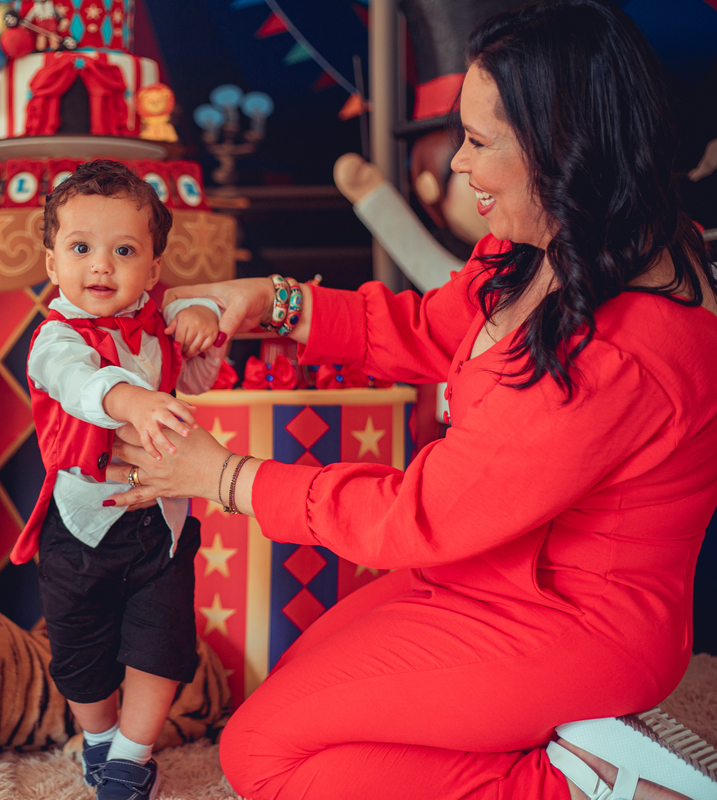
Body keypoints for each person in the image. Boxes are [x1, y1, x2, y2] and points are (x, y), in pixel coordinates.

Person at [100, 2, 717, 798]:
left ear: (561, 146)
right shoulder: (544, 244)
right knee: (297, 698)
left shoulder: (625, 348)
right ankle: (560, 747)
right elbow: (433, 328)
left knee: (260, 756)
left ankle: (581, 782)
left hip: (573, 623)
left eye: (480, 141)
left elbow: (419, 516)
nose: (458, 164)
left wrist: (223, 476)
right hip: (485, 577)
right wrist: (273, 303)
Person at [14, 159, 226, 800]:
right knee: (79, 656)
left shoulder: (156, 330)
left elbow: (184, 386)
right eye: (81, 248)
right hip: (80, 523)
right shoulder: (55, 339)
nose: (101, 266)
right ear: (53, 264)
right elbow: (82, 385)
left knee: (162, 643)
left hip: (160, 522)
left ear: (153, 270)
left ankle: (132, 760)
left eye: (124, 250)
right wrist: (132, 402)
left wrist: (203, 346)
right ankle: (100, 737)